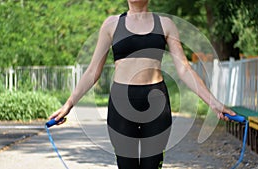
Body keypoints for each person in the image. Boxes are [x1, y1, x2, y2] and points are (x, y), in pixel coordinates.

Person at [49, 0, 236, 168]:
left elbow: (185, 69)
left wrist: (214, 103)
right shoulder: (111, 25)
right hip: (121, 103)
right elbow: (92, 72)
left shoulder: (165, 25)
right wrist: (68, 104)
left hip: (156, 102)